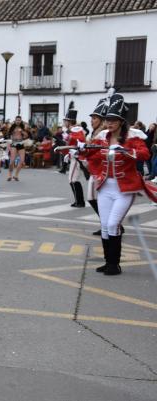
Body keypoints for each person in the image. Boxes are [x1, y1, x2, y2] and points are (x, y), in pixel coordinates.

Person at [80, 93, 156, 276]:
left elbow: (145, 154)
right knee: (105, 225)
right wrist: (80, 152)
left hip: (125, 188)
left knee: (114, 223)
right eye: (108, 120)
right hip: (105, 186)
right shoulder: (103, 137)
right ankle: (109, 263)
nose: (110, 123)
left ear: (121, 121)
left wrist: (125, 150)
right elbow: (94, 155)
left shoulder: (132, 137)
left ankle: (115, 264)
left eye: (114, 120)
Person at [86, 96, 109, 235]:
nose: (92, 120)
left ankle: (108, 224)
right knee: (92, 198)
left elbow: (101, 153)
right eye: (92, 118)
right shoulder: (94, 133)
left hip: (100, 171)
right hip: (93, 170)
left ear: (101, 120)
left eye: (95, 118)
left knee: (97, 199)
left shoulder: (103, 134)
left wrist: (85, 154)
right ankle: (105, 223)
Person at [60, 102, 87, 207]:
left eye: (65, 120)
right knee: (72, 179)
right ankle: (79, 201)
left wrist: (69, 137)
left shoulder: (76, 129)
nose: (64, 122)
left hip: (77, 157)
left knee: (72, 179)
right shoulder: (72, 130)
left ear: (69, 121)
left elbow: (80, 141)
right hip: (73, 156)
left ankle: (80, 201)